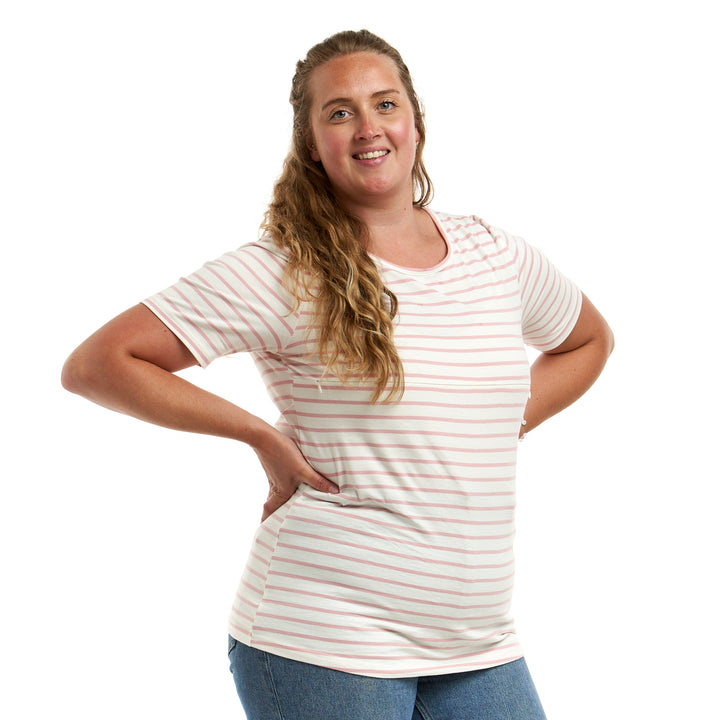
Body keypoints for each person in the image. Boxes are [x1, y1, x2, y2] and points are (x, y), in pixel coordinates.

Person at [62, 29, 613, 720]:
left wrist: (498, 424)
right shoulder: (283, 268)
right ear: (311, 141)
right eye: (340, 112)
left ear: (415, 122)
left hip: (477, 643)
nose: (367, 127)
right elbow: (98, 364)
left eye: (384, 103)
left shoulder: (496, 255)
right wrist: (260, 435)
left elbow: (589, 341)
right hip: (322, 638)